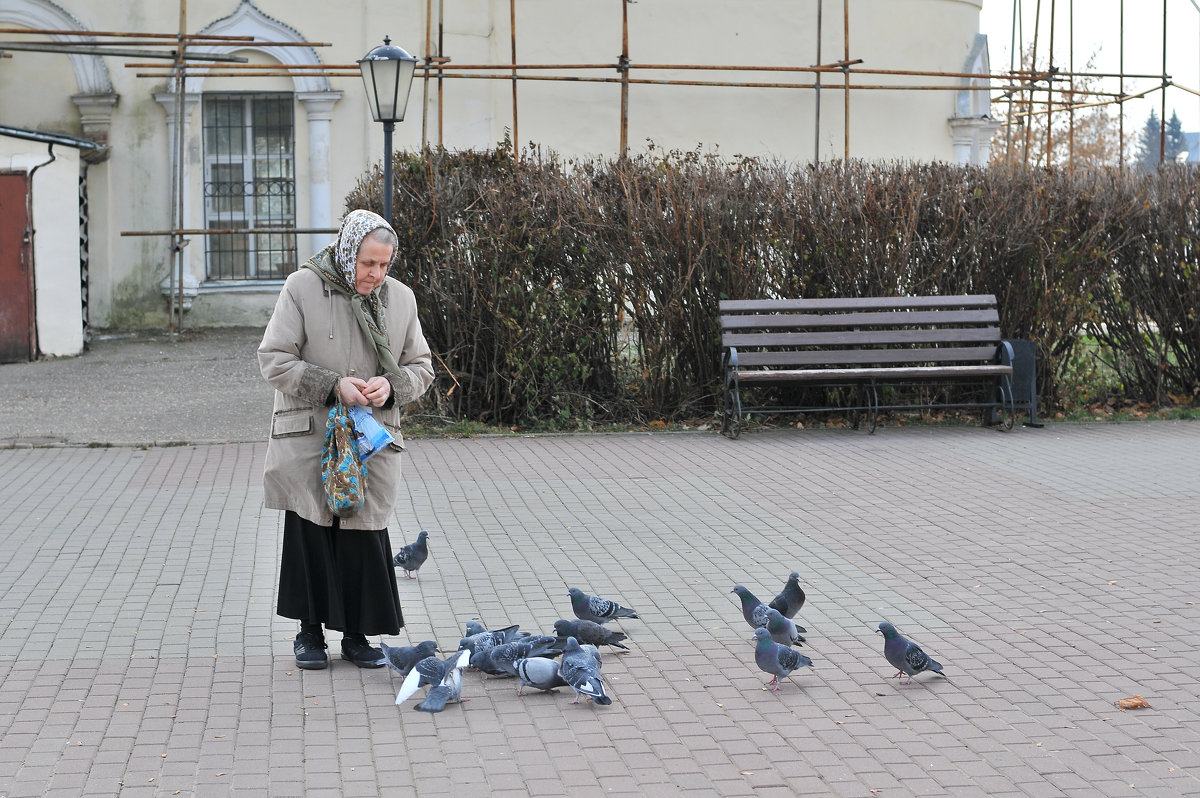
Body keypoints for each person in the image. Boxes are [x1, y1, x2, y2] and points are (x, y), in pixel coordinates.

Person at [258, 209, 434, 670]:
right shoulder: (302, 287)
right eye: (367, 263)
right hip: (312, 438)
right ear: (346, 251)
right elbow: (274, 360)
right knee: (312, 530)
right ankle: (309, 634)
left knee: (363, 534)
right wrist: (334, 384)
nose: (375, 274)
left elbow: (422, 367)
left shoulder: (401, 299)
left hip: (370, 440)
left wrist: (392, 387)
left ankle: (357, 636)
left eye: (384, 265)